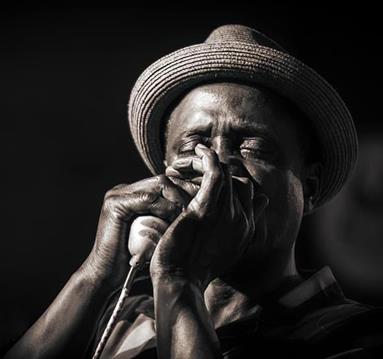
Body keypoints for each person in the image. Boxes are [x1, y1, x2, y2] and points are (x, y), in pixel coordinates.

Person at [4, 25, 383, 359]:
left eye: (251, 148)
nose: (214, 168)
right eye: (191, 147)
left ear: (310, 188)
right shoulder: (120, 324)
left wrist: (179, 279)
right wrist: (98, 273)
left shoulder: (357, 333)